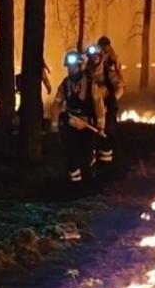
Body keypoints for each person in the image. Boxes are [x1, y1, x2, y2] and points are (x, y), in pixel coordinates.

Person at [54, 50, 97, 183]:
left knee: (86, 155)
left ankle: (89, 180)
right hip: (71, 123)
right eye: (69, 67)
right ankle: (75, 183)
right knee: (70, 152)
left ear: (80, 66)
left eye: (73, 67)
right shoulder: (65, 84)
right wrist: (54, 124)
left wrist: (100, 124)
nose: (71, 70)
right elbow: (57, 103)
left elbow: (98, 104)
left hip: (87, 125)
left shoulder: (90, 84)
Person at [86, 36, 125, 164]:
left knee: (109, 131)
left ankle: (110, 158)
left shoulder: (109, 68)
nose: (94, 59)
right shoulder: (86, 71)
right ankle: (92, 157)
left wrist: (112, 100)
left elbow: (120, 86)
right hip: (91, 106)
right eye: (92, 57)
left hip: (107, 106)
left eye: (97, 56)